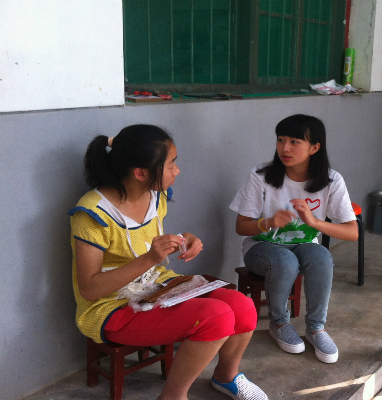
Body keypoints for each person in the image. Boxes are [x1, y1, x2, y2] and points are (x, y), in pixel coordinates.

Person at [69, 124, 268, 400]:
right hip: (111, 306)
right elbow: (90, 289)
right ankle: (173, 396)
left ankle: (226, 376)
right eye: (171, 164)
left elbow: (145, 244)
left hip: (156, 286)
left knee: (242, 305)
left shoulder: (155, 195)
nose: (177, 171)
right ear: (141, 173)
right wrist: (150, 258)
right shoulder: (92, 214)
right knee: (216, 317)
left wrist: (181, 240)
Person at [229, 114, 358, 364]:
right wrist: (269, 223)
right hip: (260, 247)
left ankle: (316, 328)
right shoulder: (260, 176)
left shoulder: (331, 181)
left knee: (321, 256)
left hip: (304, 245)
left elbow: (352, 232)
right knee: (285, 261)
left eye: (294, 142)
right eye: (281, 140)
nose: (285, 148)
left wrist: (314, 222)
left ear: (314, 148)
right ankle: (279, 323)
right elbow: (241, 227)